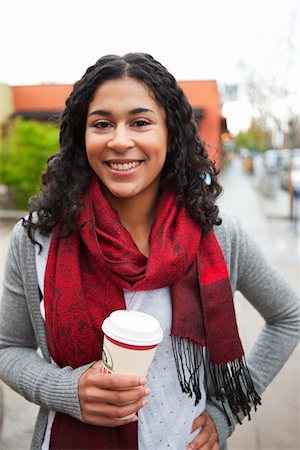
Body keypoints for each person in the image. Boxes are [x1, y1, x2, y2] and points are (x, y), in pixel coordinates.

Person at [0, 53, 299, 450]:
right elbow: (8, 347)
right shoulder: (37, 238)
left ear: (170, 134)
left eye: (140, 122)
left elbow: (287, 317)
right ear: (80, 137)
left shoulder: (218, 235)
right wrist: (66, 389)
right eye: (102, 123)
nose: (120, 140)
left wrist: (226, 412)